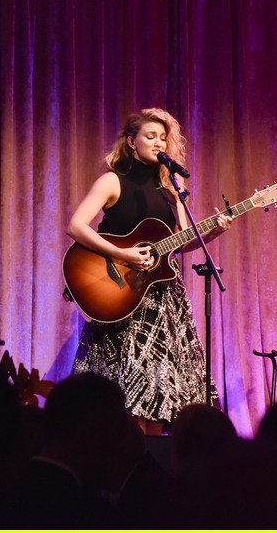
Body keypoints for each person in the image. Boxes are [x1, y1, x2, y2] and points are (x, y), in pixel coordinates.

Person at [67, 108, 231, 434]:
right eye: (150, 136)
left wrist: (212, 231)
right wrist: (120, 252)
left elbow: (181, 242)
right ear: (131, 142)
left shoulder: (171, 188)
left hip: (160, 298)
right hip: (119, 292)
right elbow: (75, 226)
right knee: (122, 385)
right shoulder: (112, 180)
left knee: (158, 383)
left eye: (162, 137)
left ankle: (154, 459)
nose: (158, 143)